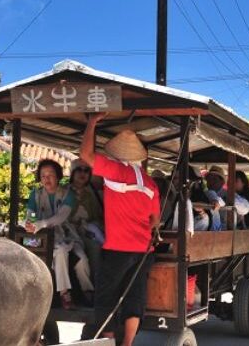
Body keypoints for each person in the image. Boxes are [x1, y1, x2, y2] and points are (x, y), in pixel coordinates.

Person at [80, 113, 160, 346]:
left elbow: (85, 155)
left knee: (106, 297)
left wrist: (92, 123)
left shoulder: (115, 170)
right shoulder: (150, 183)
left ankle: (107, 342)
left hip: (118, 250)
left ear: (117, 154)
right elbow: (154, 220)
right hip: (143, 251)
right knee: (135, 298)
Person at [23, 159, 94, 309]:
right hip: (41, 237)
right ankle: (64, 294)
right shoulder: (35, 194)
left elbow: (61, 216)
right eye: (43, 176)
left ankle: (87, 292)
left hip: (66, 235)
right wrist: (31, 223)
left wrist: (41, 224)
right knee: (59, 251)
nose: (46, 179)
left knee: (82, 259)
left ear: (58, 176)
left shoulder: (68, 194)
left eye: (50, 175)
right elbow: (31, 215)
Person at [68, 159, 104, 285]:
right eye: (79, 170)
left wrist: (89, 226)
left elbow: (96, 216)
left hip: (86, 233)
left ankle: (95, 286)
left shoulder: (90, 194)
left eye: (86, 170)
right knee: (80, 256)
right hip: (69, 234)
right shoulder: (63, 191)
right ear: (72, 173)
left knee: (95, 248)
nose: (83, 173)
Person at [204, 165, 249, 230]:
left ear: (222, 181)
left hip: (228, 232)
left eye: (214, 179)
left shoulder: (229, 194)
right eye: (209, 179)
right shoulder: (204, 194)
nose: (211, 182)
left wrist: (225, 201)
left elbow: (245, 208)